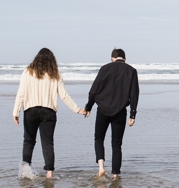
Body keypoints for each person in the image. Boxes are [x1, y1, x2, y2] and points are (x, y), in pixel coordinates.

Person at [12, 47, 84, 179]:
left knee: (28, 141)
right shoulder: (55, 74)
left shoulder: (27, 72)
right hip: (48, 111)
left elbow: (20, 94)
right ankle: (49, 174)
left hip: (30, 111)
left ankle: (25, 171)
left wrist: (15, 112)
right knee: (48, 143)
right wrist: (77, 109)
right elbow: (64, 95)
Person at [82, 48, 139, 178]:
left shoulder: (105, 69)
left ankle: (101, 167)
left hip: (103, 109)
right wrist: (133, 114)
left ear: (112, 58)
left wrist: (88, 107)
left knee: (99, 138)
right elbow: (134, 94)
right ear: (124, 58)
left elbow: (93, 91)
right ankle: (115, 175)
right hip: (120, 111)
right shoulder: (131, 71)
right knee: (117, 144)